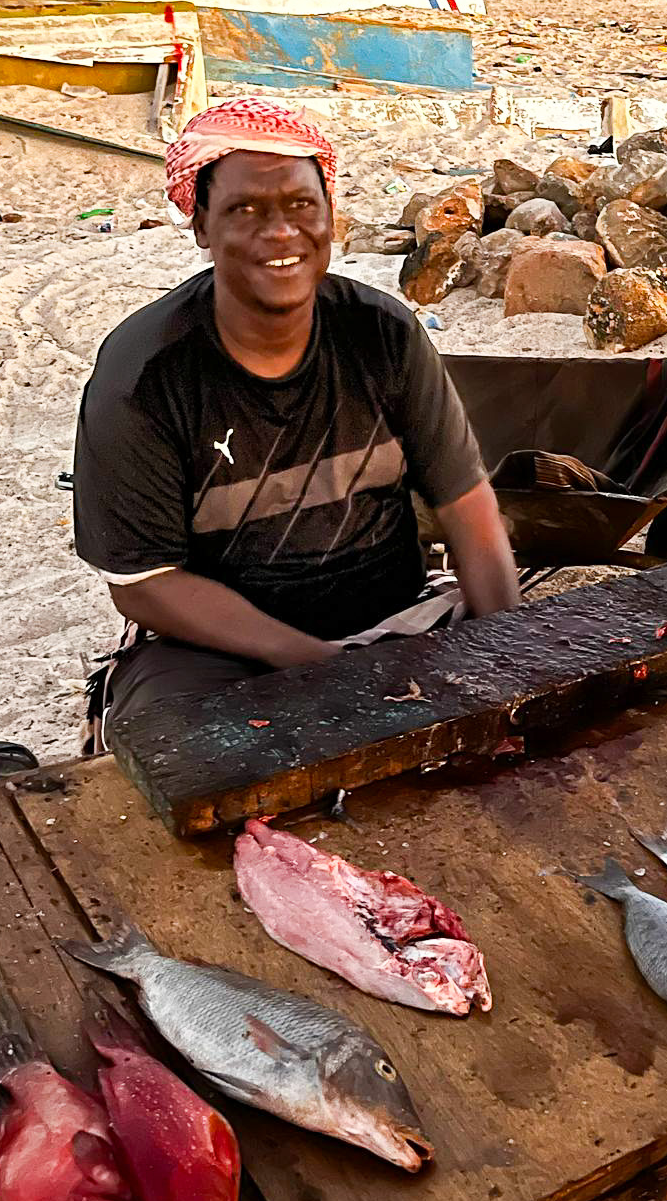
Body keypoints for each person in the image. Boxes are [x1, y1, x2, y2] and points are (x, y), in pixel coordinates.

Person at [73, 97, 519, 742]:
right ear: (201, 226)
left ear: (330, 217)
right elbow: (144, 583)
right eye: (245, 210)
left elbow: (467, 507)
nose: (280, 232)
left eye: (300, 206)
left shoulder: (384, 334)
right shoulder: (144, 375)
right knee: (172, 752)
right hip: (222, 652)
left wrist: (505, 655)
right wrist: (320, 666)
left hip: (397, 618)